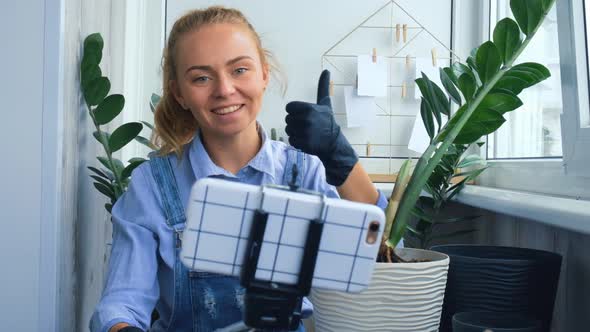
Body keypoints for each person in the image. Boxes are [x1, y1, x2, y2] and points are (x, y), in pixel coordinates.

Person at [90, 6, 388, 332]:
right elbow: (119, 307)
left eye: (240, 70)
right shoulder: (153, 186)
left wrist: (342, 161)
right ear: (179, 93)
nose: (224, 90)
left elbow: (383, 263)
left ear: (264, 74)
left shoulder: (306, 173)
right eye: (201, 77)